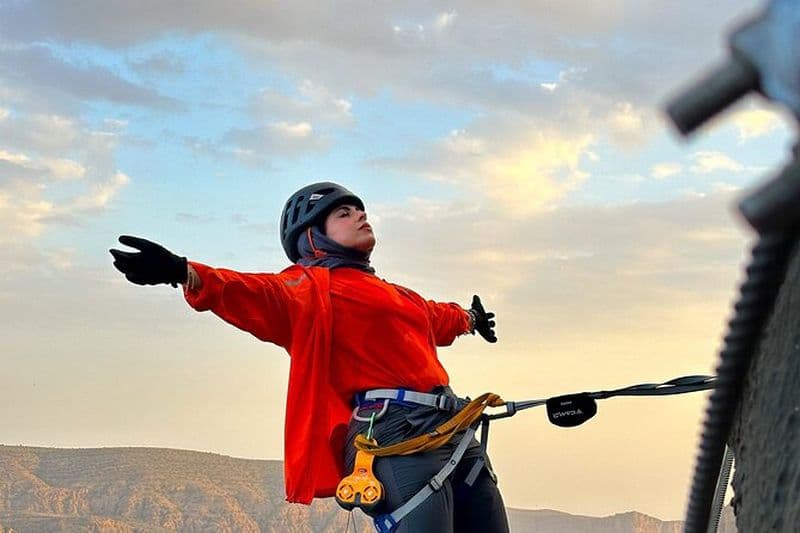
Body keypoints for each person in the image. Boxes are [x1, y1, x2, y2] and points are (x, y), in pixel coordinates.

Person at [109, 182, 510, 532]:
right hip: (393, 433)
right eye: (344, 212)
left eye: (362, 210)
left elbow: (437, 316)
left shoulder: (399, 295)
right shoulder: (307, 289)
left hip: (453, 428)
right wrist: (185, 271)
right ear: (312, 234)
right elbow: (252, 291)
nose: (361, 216)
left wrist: (471, 318)